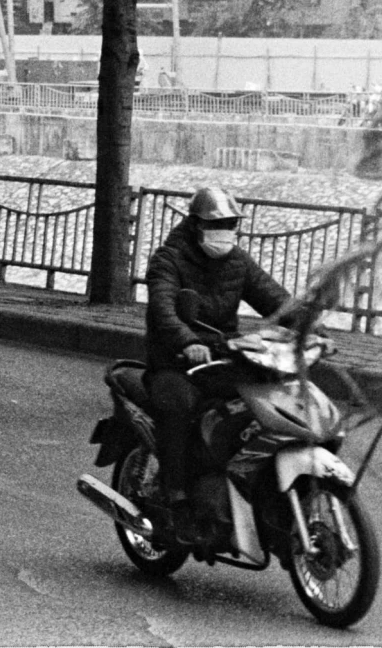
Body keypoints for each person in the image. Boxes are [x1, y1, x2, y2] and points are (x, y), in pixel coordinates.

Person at [142, 186, 291, 542]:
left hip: (223, 358)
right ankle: (175, 494)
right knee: (178, 405)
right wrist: (188, 341)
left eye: (230, 223)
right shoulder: (169, 259)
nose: (224, 229)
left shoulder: (237, 262)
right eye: (217, 223)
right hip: (176, 362)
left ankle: (254, 484)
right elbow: (163, 310)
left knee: (266, 398)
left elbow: (275, 299)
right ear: (195, 225)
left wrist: (311, 327)